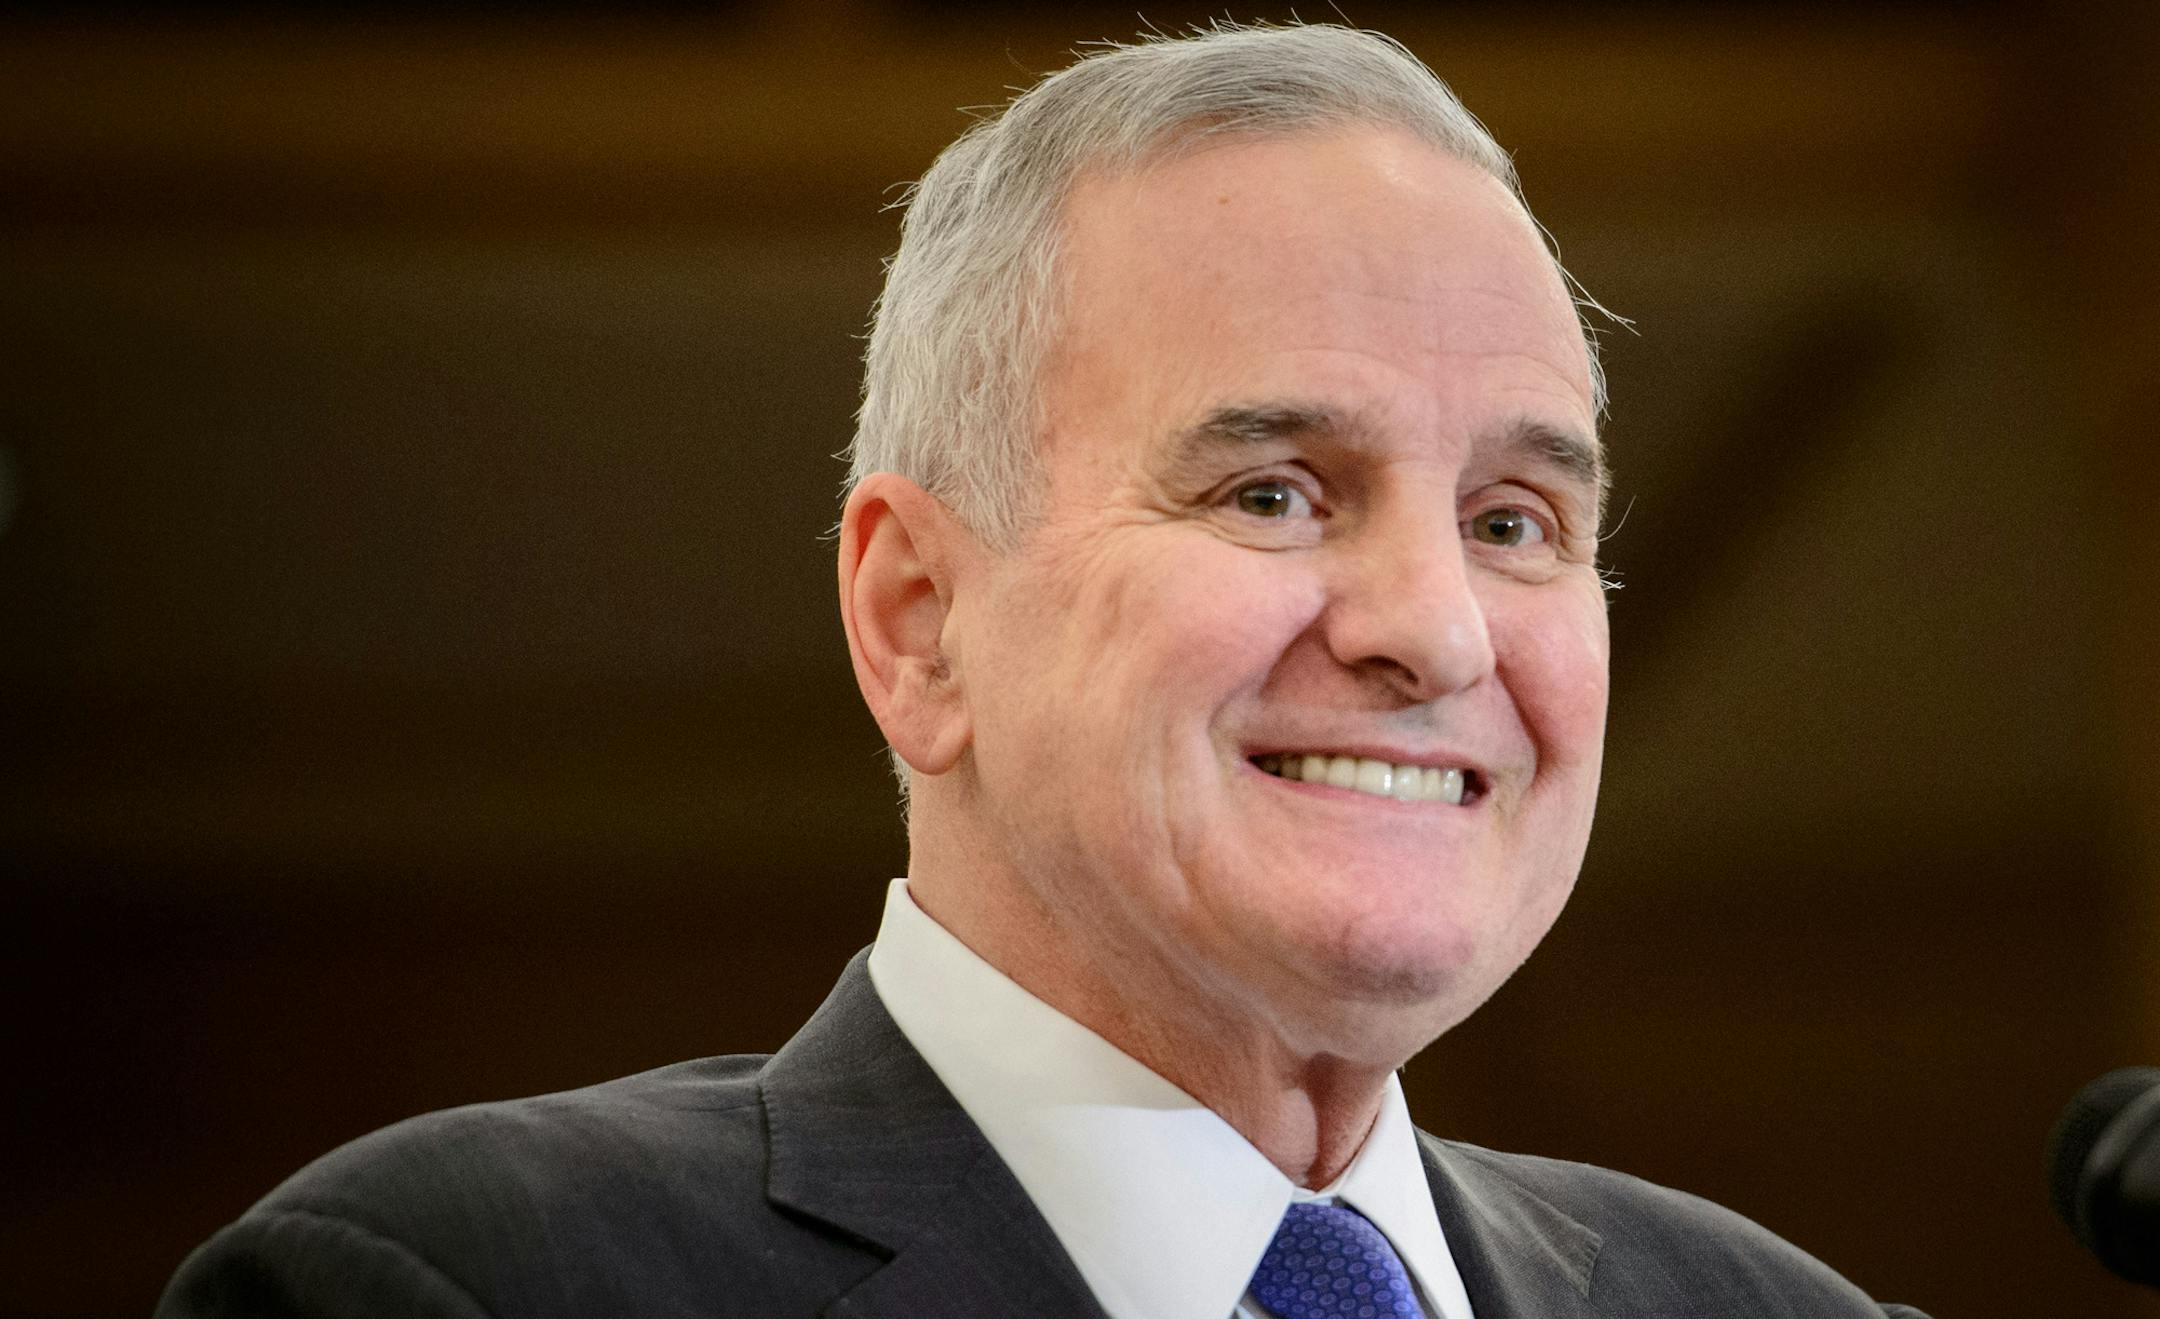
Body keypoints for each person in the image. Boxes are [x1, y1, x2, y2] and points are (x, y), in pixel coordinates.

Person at [158, 24, 1929, 1319]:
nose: (1438, 626)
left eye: (1519, 520)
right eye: (1272, 490)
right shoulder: (468, 1285)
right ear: (919, 620)